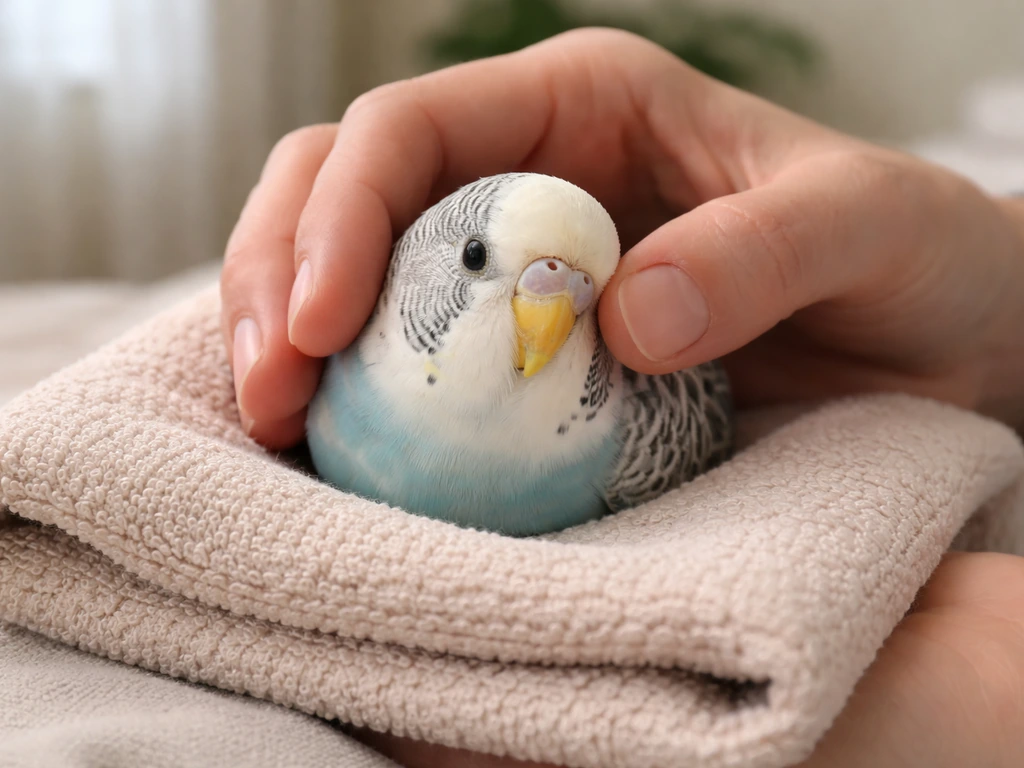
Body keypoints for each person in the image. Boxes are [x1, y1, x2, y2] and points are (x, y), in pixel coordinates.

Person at [218, 29, 1024, 768]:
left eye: (579, 299)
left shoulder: (642, 440)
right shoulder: (336, 365)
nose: (548, 311)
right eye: (477, 259)